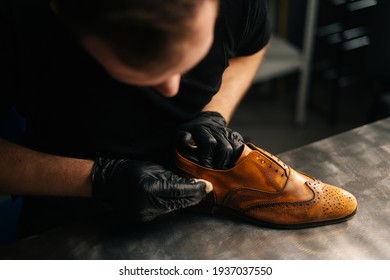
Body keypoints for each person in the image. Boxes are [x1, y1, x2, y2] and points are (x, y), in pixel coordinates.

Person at [0, 0, 270, 237]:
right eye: (145, 68)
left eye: (187, 61)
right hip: (68, 197)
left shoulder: (238, 4)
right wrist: (98, 179)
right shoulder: (16, 18)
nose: (172, 89)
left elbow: (251, 48)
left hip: (199, 188)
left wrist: (213, 112)